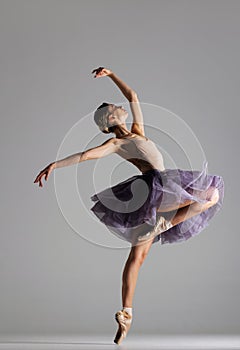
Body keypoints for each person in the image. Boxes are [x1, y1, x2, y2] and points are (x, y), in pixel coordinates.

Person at [33, 67, 224, 345]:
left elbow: (133, 95)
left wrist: (111, 74)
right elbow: (87, 155)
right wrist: (55, 165)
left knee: (138, 257)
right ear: (109, 119)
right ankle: (162, 224)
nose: (120, 106)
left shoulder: (137, 131)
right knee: (208, 195)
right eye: (114, 107)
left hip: (157, 192)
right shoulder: (116, 143)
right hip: (155, 188)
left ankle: (127, 314)